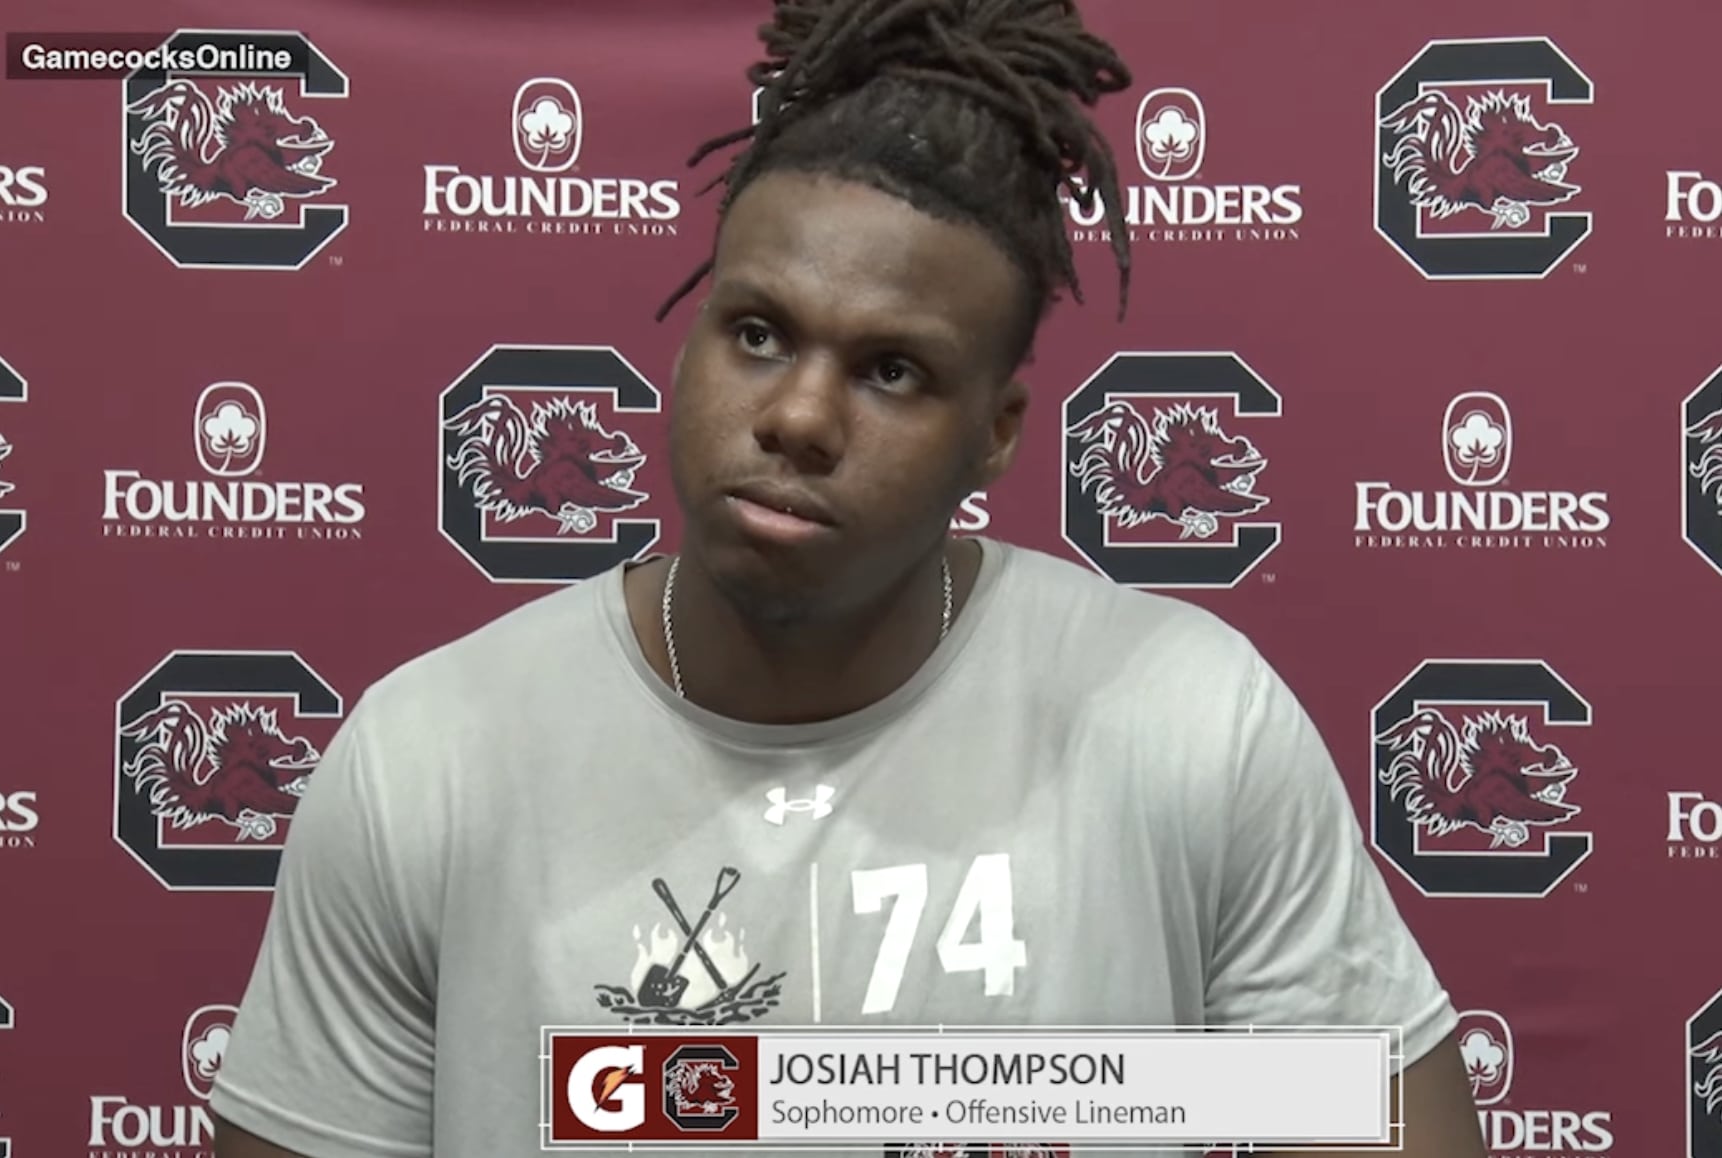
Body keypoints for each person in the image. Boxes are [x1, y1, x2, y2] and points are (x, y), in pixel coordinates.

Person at [210, 1, 1487, 1155]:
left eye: (891, 372)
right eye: (758, 334)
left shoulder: (1185, 721)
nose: (800, 417)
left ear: (995, 434)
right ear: (691, 347)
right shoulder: (430, 759)